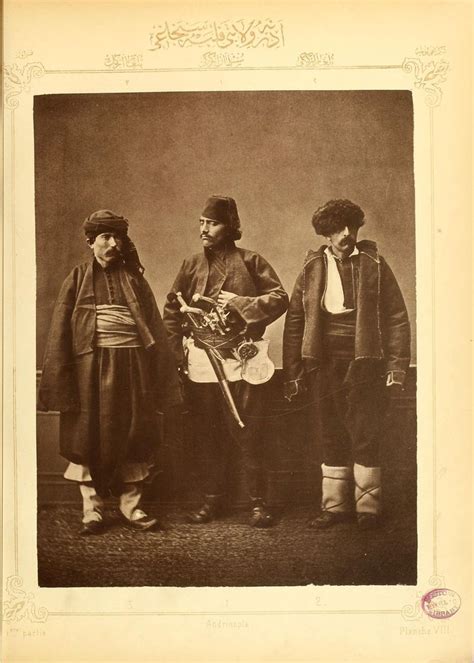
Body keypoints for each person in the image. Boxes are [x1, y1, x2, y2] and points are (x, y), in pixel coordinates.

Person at [38, 210, 182, 535]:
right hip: (89, 369)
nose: (112, 244)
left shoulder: (135, 280)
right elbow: (60, 333)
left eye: (117, 237)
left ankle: (132, 507)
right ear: (90, 241)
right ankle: (92, 510)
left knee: (134, 433)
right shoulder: (76, 278)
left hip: (133, 367)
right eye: (105, 237)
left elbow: (156, 331)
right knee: (86, 437)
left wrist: (162, 373)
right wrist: (61, 380)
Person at [283, 199, 410, 530]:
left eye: (351, 227)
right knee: (330, 431)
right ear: (326, 233)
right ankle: (335, 507)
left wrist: (396, 366)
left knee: (365, 431)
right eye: (338, 228)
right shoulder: (312, 269)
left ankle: (368, 509)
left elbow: (396, 318)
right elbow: (296, 320)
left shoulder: (374, 264)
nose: (346, 234)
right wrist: (294, 370)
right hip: (323, 363)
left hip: (364, 361)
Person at [163, 195, 288, 527]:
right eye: (202, 222)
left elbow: (280, 298)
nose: (204, 229)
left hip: (243, 358)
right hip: (203, 361)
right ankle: (211, 501)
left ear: (230, 227)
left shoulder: (251, 261)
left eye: (213, 223)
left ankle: (259, 503)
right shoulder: (190, 265)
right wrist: (176, 354)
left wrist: (241, 303)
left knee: (250, 431)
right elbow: (172, 313)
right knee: (208, 433)